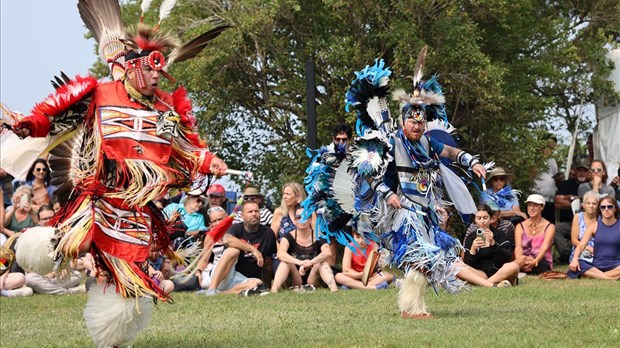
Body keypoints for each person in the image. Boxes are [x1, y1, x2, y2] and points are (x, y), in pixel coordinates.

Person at [3, 2, 229, 346]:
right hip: (98, 193)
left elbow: (186, 147)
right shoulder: (99, 94)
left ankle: (113, 336)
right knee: (71, 243)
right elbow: (51, 115)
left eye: (160, 71)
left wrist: (208, 159)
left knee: (128, 275)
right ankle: (33, 245)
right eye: (151, 70)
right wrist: (25, 124)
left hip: (137, 206)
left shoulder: (166, 108)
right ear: (134, 68)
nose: (158, 76)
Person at [305, 54, 486, 318]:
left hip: (424, 211)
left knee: (427, 260)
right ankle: (411, 305)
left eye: (421, 121)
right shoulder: (391, 142)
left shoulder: (426, 143)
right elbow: (367, 173)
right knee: (421, 256)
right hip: (401, 211)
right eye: (412, 121)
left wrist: (471, 162)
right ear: (403, 122)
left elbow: (448, 151)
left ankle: (411, 305)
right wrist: (387, 194)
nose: (417, 125)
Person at [204, 201, 276, 295]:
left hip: (239, 278)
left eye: (256, 211)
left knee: (258, 284)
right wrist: (253, 249)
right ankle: (211, 289)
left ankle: (219, 293)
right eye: (250, 212)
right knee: (233, 251)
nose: (254, 214)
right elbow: (227, 239)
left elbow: (268, 262)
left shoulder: (268, 233)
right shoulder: (236, 228)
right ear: (242, 216)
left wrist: (268, 285)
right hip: (225, 273)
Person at [271, 207, 338, 293]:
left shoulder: (318, 235)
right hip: (295, 278)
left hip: (312, 278)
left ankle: (334, 289)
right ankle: (274, 290)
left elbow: (327, 252)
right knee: (285, 263)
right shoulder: (288, 236)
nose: (302, 219)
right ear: (294, 220)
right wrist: (300, 262)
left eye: (305, 216)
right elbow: (280, 254)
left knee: (322, 263)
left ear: (310, 219)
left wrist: (311, 262)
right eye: (298, 217)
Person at [456, 204, 523, 287]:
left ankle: (482, 284)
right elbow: (469, 264)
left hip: (500, 272)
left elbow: (506, 258)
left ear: (490, 219)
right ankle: (493, 285)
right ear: (475, 220)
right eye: (479, 218)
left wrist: (493, 243)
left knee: (514, 266)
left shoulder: (500, 234)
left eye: (485, 217)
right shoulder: (471, 237)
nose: (482, 221)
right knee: (456, 266)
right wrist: (473, 250)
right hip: (481, 273)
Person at [568, 195, 620, 279]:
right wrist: (574, 259)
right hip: (597, 264)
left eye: (609, 206)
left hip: (616, 263)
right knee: (580, 263)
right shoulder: (594, 226)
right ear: (600, 209)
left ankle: (596, 276)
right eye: (603, 207)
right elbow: (581, 245)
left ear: (615, 208)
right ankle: (609, 278)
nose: (606, 209)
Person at [554, 158, 591, 263]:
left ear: (588, 172)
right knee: (555, 229)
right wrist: (575, 202)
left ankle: (571, 253)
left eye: (584, 170)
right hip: (569, 222)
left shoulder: (590, 185)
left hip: (587, 223)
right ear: (574, 171)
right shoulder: (566, 184)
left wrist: (570, 199)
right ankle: (565, 254)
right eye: (579, 170)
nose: (582, 173)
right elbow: (557, 203)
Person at [514, 194, 555, 274]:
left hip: (541, 261)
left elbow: (544, 248)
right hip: (523, 260)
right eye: (529, 205)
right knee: (512, 265)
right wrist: (520, 262)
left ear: (542, 207)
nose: (531, 208)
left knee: (541, 265)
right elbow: (518, 248)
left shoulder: (550, 227)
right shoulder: (520, 226)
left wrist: (535, 261)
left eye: (535, 205)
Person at [569, 191, 599, 264]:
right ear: (584, 205)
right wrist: (589, 249)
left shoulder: (600, 219)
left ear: (598, 205)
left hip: (598, 251)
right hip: (581, 250)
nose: (591, 206)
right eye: (588, 203)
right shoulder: (578, 217)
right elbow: (574, 240)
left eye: (594, 204)